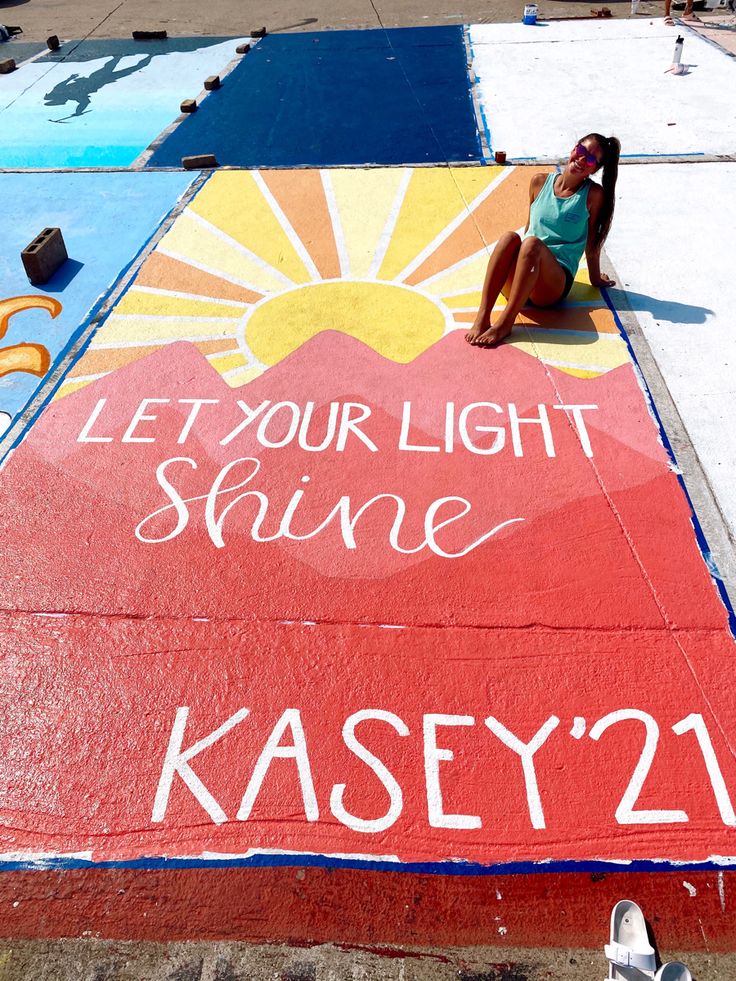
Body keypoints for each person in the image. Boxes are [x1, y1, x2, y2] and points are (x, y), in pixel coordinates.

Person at [465, 133, 620, 348]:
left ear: (594, 169)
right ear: (573, 149)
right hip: (524, 274)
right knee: (510, 237)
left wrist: (595, 278)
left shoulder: (593, 195)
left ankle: (505, 323)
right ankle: (483, 316)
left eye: (591, 159)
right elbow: (530, 228)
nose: (582, 159)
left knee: (532, 245)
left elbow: (592, 243)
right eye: (581, 151)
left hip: (551, 286)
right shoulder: (539, 182)